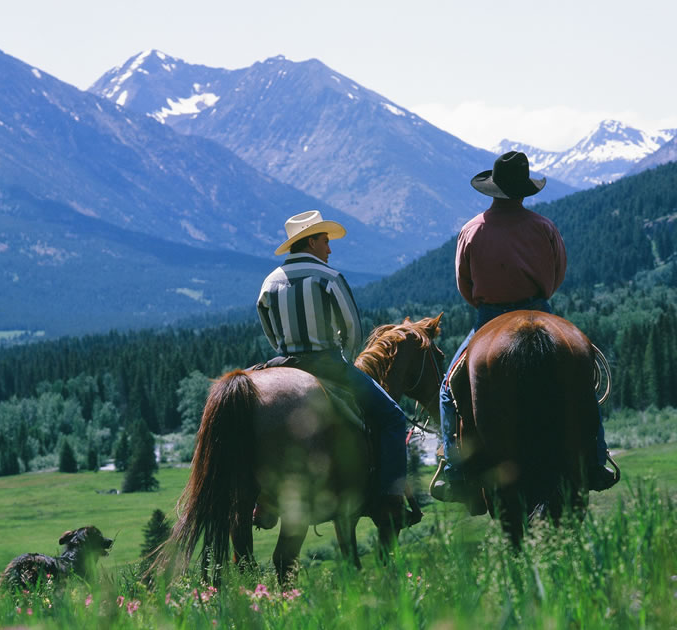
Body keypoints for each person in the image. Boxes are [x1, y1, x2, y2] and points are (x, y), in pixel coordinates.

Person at [430, 151, 616, 503]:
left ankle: (454, 473)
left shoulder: (471, 230)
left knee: (447, 389)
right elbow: (557, 274)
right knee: (584, 379)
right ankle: (596, 459)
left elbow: (464, 284)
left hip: (488, 316)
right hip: (540, 308)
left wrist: (490, 306)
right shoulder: (544, 227)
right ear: (525, 192)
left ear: (493, 190)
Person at [256, 209, 413, 526]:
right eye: (325, 241)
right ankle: (390, 500)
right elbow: (352, 328)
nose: (329, 248)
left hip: (282, 361)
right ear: (312, 241)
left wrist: (286, 352)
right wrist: (345, 357)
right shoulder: (329, 278)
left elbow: (270, 330)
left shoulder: (270, 282)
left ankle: (260, 501)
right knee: (395, 418)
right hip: (327, 362)